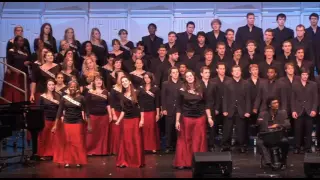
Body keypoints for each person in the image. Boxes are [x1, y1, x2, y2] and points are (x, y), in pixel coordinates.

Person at [173, 70, 213, 169]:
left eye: (191, 75)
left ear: (194, 76)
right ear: (185, 78)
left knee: (199, 139)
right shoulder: (181, 89)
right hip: (186, 117)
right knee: (185, 139)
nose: (189, 77)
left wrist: (209, 117)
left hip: (200, 117)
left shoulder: (201, 87)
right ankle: (184, 162)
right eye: (187, 76)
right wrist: (177, 120)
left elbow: (207, 104)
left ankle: (199, 162)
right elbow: (178, 106)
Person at [52, 80, 91, 168]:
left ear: (77, 88)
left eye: (74, 86)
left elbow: (87, 111)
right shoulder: (64, 98)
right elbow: (59, 112)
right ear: (68, 88)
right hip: (67, 122)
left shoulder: (81, 98)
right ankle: (67, 161)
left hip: (78, 122)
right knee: (68, 142)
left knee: (77, 142)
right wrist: (55, 125)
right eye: (71, 86)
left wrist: (89, 124)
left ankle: (78, 160)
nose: (72, 88)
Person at [115, 76, 145, 168]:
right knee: (126, 141)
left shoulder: (137, 93)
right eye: (122, 81)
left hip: (135, 119)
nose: (124, 83)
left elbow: (142, 107)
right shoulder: (122, 95)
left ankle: (137, 161)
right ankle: (124, 161)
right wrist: (118, 121)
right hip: (126, 120)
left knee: (135, 140)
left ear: (130, 82)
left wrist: (142, 119)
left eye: (125, 81)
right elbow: (123, 110)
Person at [222, 65, 251, 153]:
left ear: (241, 72)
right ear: (232, 73)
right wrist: (224, 110)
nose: (237, 72)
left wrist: (247, 111)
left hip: (241, 110)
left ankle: (241, 146)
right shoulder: (227, 83)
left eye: (238, 70)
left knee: (241, 129)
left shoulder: (246, 83)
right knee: (227, 129)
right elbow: (225, 97)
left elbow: (248, 98)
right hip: (230, 109)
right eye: (235, 71)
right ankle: (226, 145)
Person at [256, 97, 290, 170]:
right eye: (274, 103)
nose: (277, 104)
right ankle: (269, 162)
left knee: (285, 142)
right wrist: (262, 123)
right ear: (269, 105)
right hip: (267, 136)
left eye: (277, 102)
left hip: (278, 136)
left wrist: (278, 125)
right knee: (259, 142)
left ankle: (283, 161)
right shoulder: (263, 114)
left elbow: (288, 125)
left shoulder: (283, 112)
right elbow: (260, 126)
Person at [291, 67, 318, 154]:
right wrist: (293, 110)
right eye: (303, 74)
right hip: (298, 110)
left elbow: (316, 98)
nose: (305, 76)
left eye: (307, 75)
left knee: (309, 130)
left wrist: (314, 109)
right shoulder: (295, 84)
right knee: (298, 130)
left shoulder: (313, 84)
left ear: (308, 75)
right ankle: (297, 147)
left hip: (309, 110)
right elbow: (292, 99)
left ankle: (308, 147)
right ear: (300, 75)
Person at [85, 75, 112, 155]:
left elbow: (108, 104)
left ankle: (101, 151)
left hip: (104, 116)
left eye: (100, 80)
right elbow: (86, 105)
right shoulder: (90, 92)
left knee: (102, 135)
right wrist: (87, 116)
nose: (99, 81)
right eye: (97, 80)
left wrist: (110, 115)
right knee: (91, 134)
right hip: (92, 116)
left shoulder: (106, 92)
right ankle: (90, 151)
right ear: (94, 82)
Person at [3, 35, 31, 103]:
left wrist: (28, 62)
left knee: (25, 92)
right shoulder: (11, 51)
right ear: (15, 42)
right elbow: (9, 64)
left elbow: (30, 60)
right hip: (15, 75)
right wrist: (16, 71)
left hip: (25, 74)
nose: (21, 42)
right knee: (16, 94)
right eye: (20, 41)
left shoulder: (25, 50)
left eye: (22, 41)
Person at [38, 79, 60, 160]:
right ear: (47, 86)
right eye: (49, 85)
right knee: (44, 137)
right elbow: (39, 109)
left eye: (53, 85)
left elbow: (60, 109)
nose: (51, 86)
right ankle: (44, 154)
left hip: (55, 120)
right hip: (45, 119)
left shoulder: (58, 96)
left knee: (54, 138)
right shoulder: (42, 96)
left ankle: (54, 153)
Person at [138, 72, 161, 153]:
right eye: (145, 78)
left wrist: (158, 114)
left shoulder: (155, 88)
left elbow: (157, 102)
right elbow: (139, 101)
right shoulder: (140, 88)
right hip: (143, 111)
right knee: (144, 129)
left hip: (152, 111)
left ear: (151, 78)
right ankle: (144, 146)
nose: (147, 79)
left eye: (148, 77)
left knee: (151, 129)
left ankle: (153, 146)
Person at [161, 67, 182, 153]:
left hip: (179, 109)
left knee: (178, 129)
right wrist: (164, 108)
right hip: (169, 109)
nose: (175, 74)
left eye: (177, 72)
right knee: (169, 129)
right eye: (173, 72)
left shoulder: (182, 83)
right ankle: (169, 146)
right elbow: (163, 97)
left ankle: (178, 146)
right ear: (170, 74)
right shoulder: (166, 83)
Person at [108, 70, 125, 155]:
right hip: (117, 112)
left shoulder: (127, 87)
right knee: (117, 132)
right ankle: (116, 150)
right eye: (120, 76)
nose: (122, 78)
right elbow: (111, 103)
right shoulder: (114, 89)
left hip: (126, 113)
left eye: (123, 76)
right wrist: (113, 114)